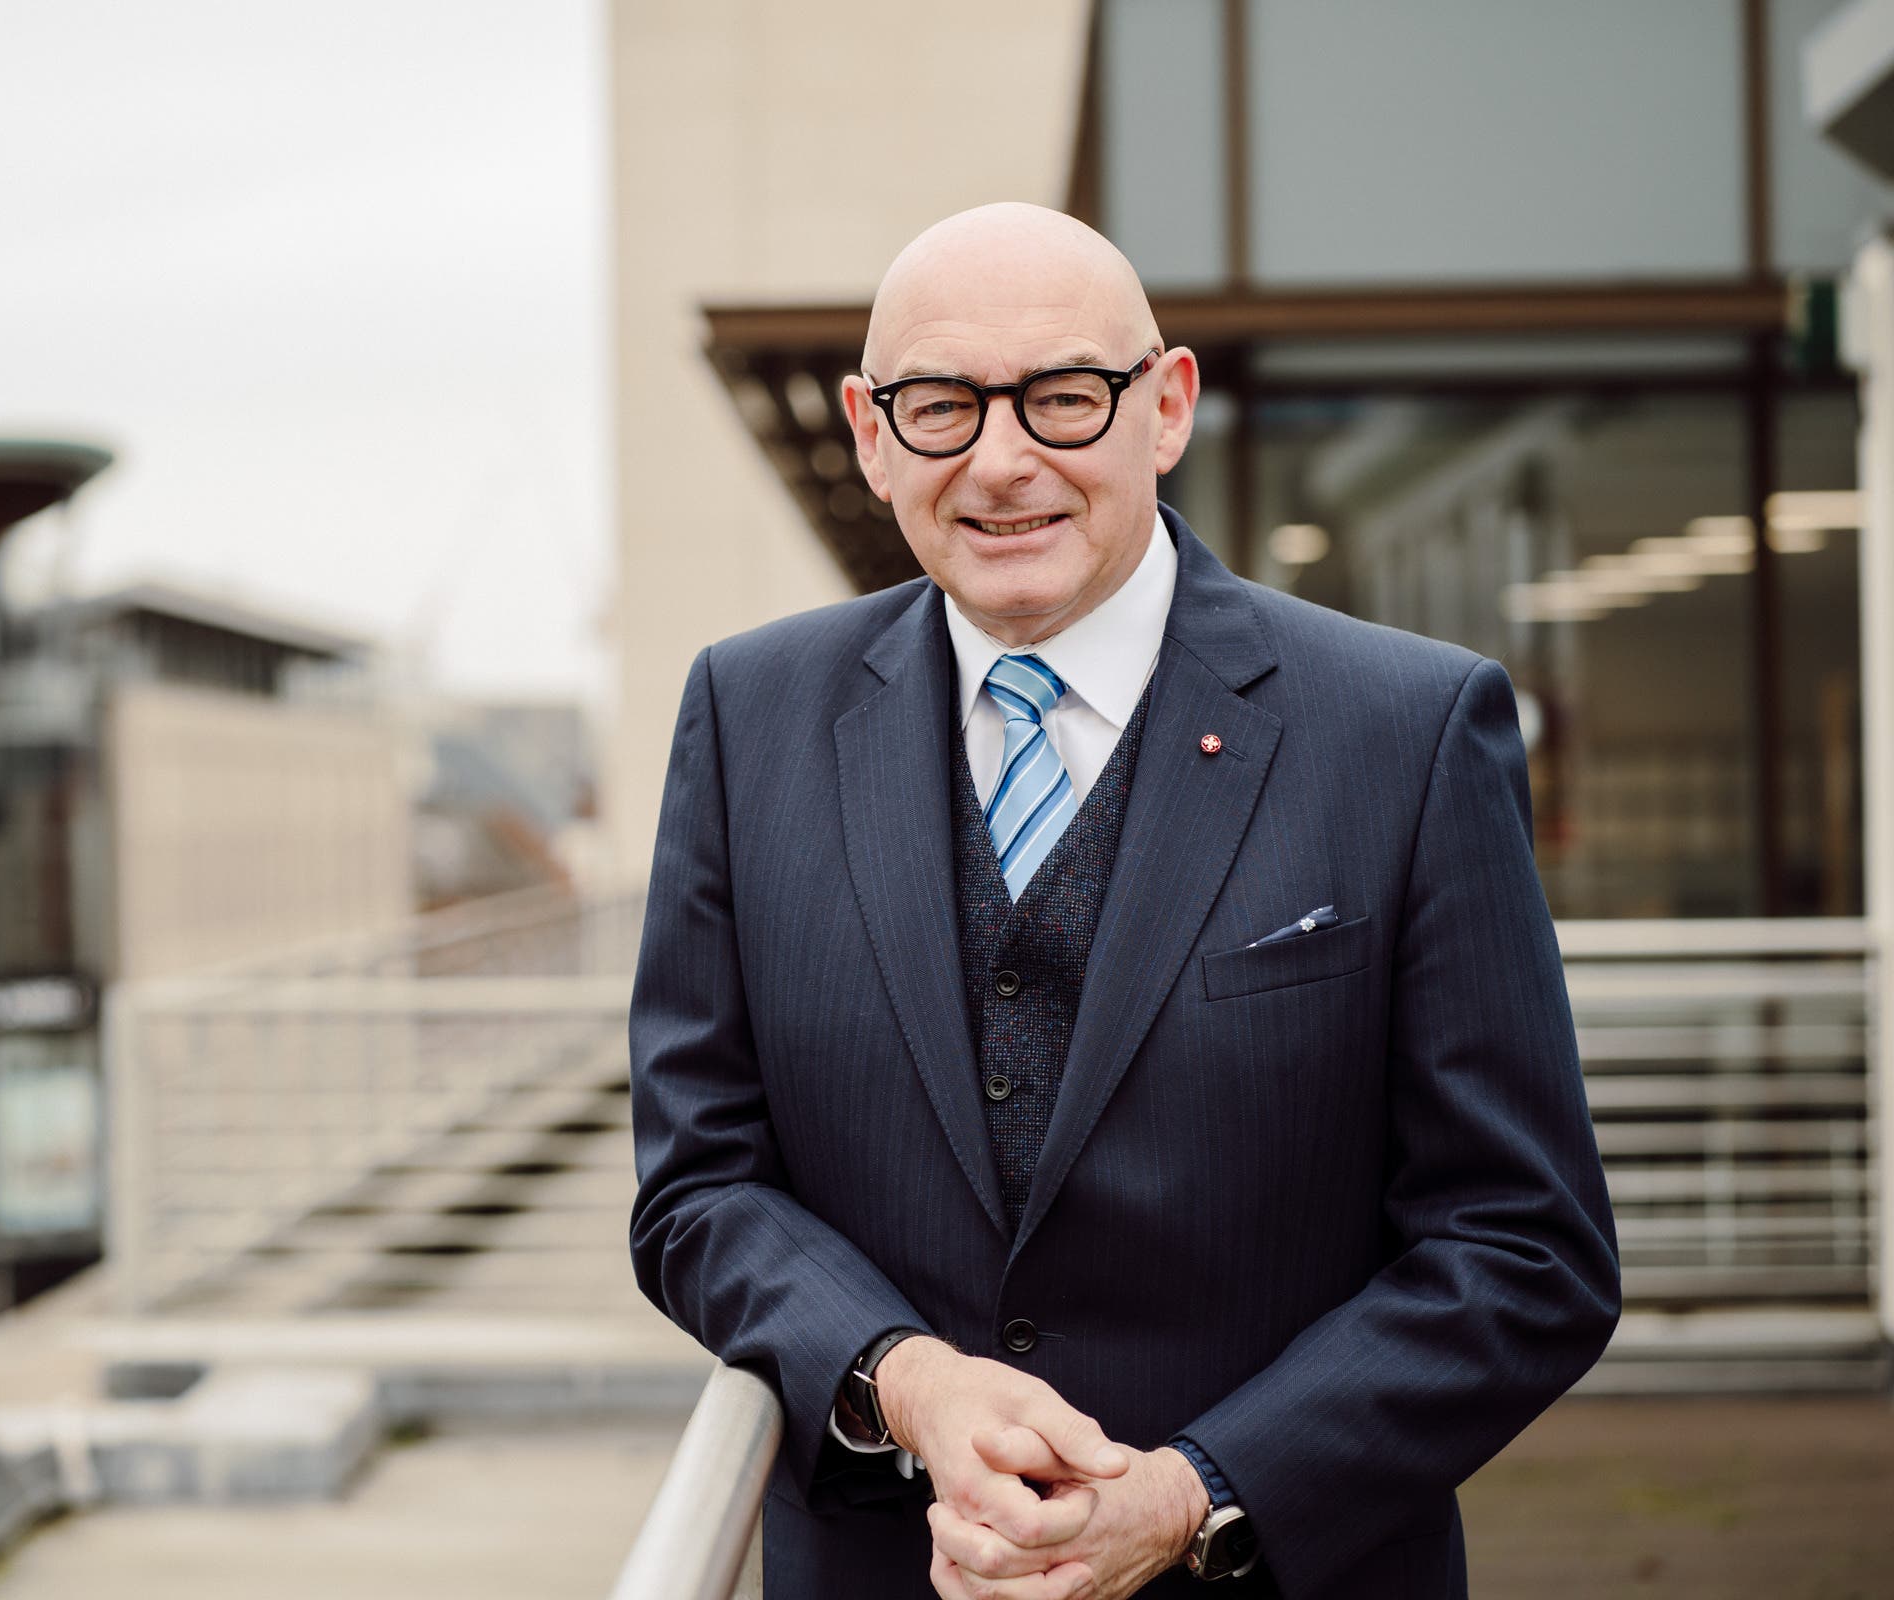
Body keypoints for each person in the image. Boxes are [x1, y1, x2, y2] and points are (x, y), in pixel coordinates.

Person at [626, 202, 1620, 1598]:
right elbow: (699, 1186)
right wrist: (901, 1380)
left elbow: (1525, 1250)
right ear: (867, 430)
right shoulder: (747, 717)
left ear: (1167, 407)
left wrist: (1194, 1496)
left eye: (1064, 397)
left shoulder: (1405, 731)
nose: (1002, 459)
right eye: (939, 406)